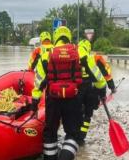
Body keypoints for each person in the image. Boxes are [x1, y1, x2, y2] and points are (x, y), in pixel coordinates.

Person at [31, 26, 84, 160]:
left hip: (53, 99)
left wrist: (35, 102)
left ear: (56, 37)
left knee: (50, 132)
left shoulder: (46, 54)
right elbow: (91, 73)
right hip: (73, 98)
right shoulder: (80, 51)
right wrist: (101, 90)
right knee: (73, 134)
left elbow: (39, 81)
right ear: (69, 37)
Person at [77, 29, 109, 146]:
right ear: (88, 48)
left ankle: (72, 136)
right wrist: (102, 94)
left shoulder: (72, 57)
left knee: (76, 114)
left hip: (75, 91)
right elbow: (99, 79)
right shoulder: (90, 59)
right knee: (87, 115)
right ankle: (81, 139)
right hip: (88, 90)